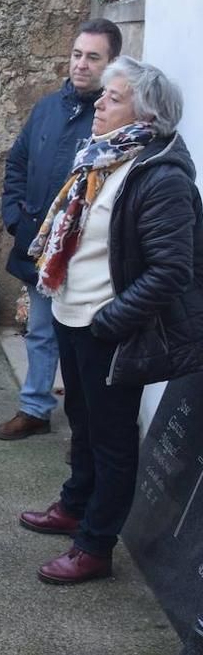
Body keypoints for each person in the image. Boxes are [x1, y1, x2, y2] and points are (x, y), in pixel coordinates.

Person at [20, 57, 202, 585]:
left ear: (145, 113)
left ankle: (96, 546)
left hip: (108, 330)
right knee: (82, 421)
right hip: (72, 317)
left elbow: (172, 269)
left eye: (113, 97)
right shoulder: (103, 158)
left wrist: (110, 320)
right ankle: (76, 504)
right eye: (103, 95)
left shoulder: (159, 175)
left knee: (114, 439)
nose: (98, 103)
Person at [0, 19, 121, 441]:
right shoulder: (48, 107)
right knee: (42, 332)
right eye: (76, 54)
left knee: (84, 346)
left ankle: (84, 433)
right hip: (39, 246)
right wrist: (15, 215)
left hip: (86, 256)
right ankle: (35, 408)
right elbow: (17, 163)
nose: (81, 65)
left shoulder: (116, 117)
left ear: (113, 63)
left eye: (93, 57)